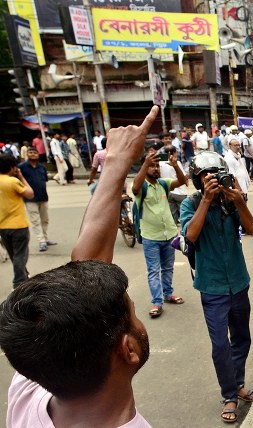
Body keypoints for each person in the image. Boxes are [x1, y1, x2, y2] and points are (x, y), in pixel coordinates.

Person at [0, 106, 159, 428]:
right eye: (131, 313)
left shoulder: (35, 378)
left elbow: (88, 270)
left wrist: (115, 163)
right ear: (128, 349)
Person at [181, 151, 253, 423]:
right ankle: (229, 395)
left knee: (241, 338)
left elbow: (250, 229)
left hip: (238, 282)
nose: (211, 179)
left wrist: (239, 201)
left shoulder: (230, 201)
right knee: (220, 345)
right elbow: (190, 235)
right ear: (197, 180)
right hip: (212, 286)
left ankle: (237, 384)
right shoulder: (190, 204)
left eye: (216, 174)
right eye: (205, 175)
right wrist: (206, 200)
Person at [131, 143, 188, 318]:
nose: (156, 169)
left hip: (169, 234)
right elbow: (134, 188)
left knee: (168, 268)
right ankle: (157, 302)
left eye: (157, 166)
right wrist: (144, 165)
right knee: (154, 270)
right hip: (151, 236)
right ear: (145, 168)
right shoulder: (143, 187)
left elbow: (182, 181)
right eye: (152, 166)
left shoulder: (163, 184)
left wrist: (175, 165)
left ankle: (168, 294)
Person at [0, 154, 33, 287]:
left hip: (2, 226)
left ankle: (24, 275)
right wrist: (20, 176)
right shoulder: (12, 181)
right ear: (12, 167)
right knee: (21, 255)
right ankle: (18, 283)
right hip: (18, 225)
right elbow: (30, 193)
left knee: (15, 255)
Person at [18, 148, 56, 252]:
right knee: (35, 220)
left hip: (43, 197)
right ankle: (41, 241)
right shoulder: (21, 167)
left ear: (38, 155)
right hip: (30, 199)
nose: (33, 154)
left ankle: (45, 238)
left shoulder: (42, 167)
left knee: (45, 219)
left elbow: (44, 181)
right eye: (31, 153)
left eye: (35, 153)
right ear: (27, 154)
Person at [159, 143, 189, 225]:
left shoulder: (160, 164)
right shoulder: (177, 163)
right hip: (180, 192)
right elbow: (184, 177)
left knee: (172, 215)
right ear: (174, 153)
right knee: (184, 213)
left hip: (168, 192)